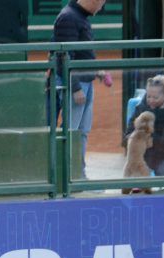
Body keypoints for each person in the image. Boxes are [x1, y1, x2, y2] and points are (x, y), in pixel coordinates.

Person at [49, 0, 114, 176]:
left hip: (85, 83)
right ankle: (65, 175)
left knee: (81, 132)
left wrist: (96, 71)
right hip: (75, 86)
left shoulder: (79, 16)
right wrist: (75, 87)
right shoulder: (68, 17)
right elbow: (64, 57)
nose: (101, 7)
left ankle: (78, 174)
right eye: (101, 3)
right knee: (71, 133)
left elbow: (82, 55)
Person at [123, 75, 164, 176]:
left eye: (155, 97)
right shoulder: (141, 108)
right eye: (148, 96)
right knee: (134, 167)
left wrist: (150, 137)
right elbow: (128, 132)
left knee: (163, 171)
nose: (151, 100)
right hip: (145, 154)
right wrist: (133, 137)